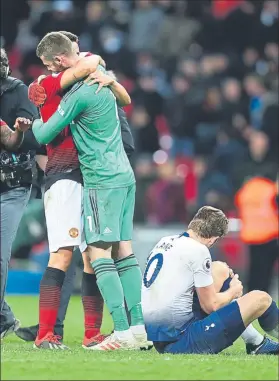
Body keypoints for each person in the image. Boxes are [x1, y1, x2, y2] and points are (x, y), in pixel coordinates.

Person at [16, 32, 134, 350]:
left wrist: (98, 71)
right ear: (60, 61)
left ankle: (92, 333)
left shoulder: (79, 82)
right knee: (62, 254)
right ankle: (45, 334)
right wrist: (92, 64)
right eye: (75, 51)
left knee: (93, 258)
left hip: (90, 179)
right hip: (63, 177)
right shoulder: (49, 83)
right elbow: (88, 64)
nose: (83, 55)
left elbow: (93, 67)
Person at [142, 206, 279, 355]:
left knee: (219, 269)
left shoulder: (166, 241)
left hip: (161, 338)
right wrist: (233, 291)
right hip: (182, 341)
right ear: (213, 239)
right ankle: (257, 345)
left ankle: (255, 341)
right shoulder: (199, 250)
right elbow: (210, 306)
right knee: (261, 299)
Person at [0, 48, 39, 339]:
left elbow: (22, 141)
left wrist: (22, 131)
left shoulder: (18, 91)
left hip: (13, 185)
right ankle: (4, 317)